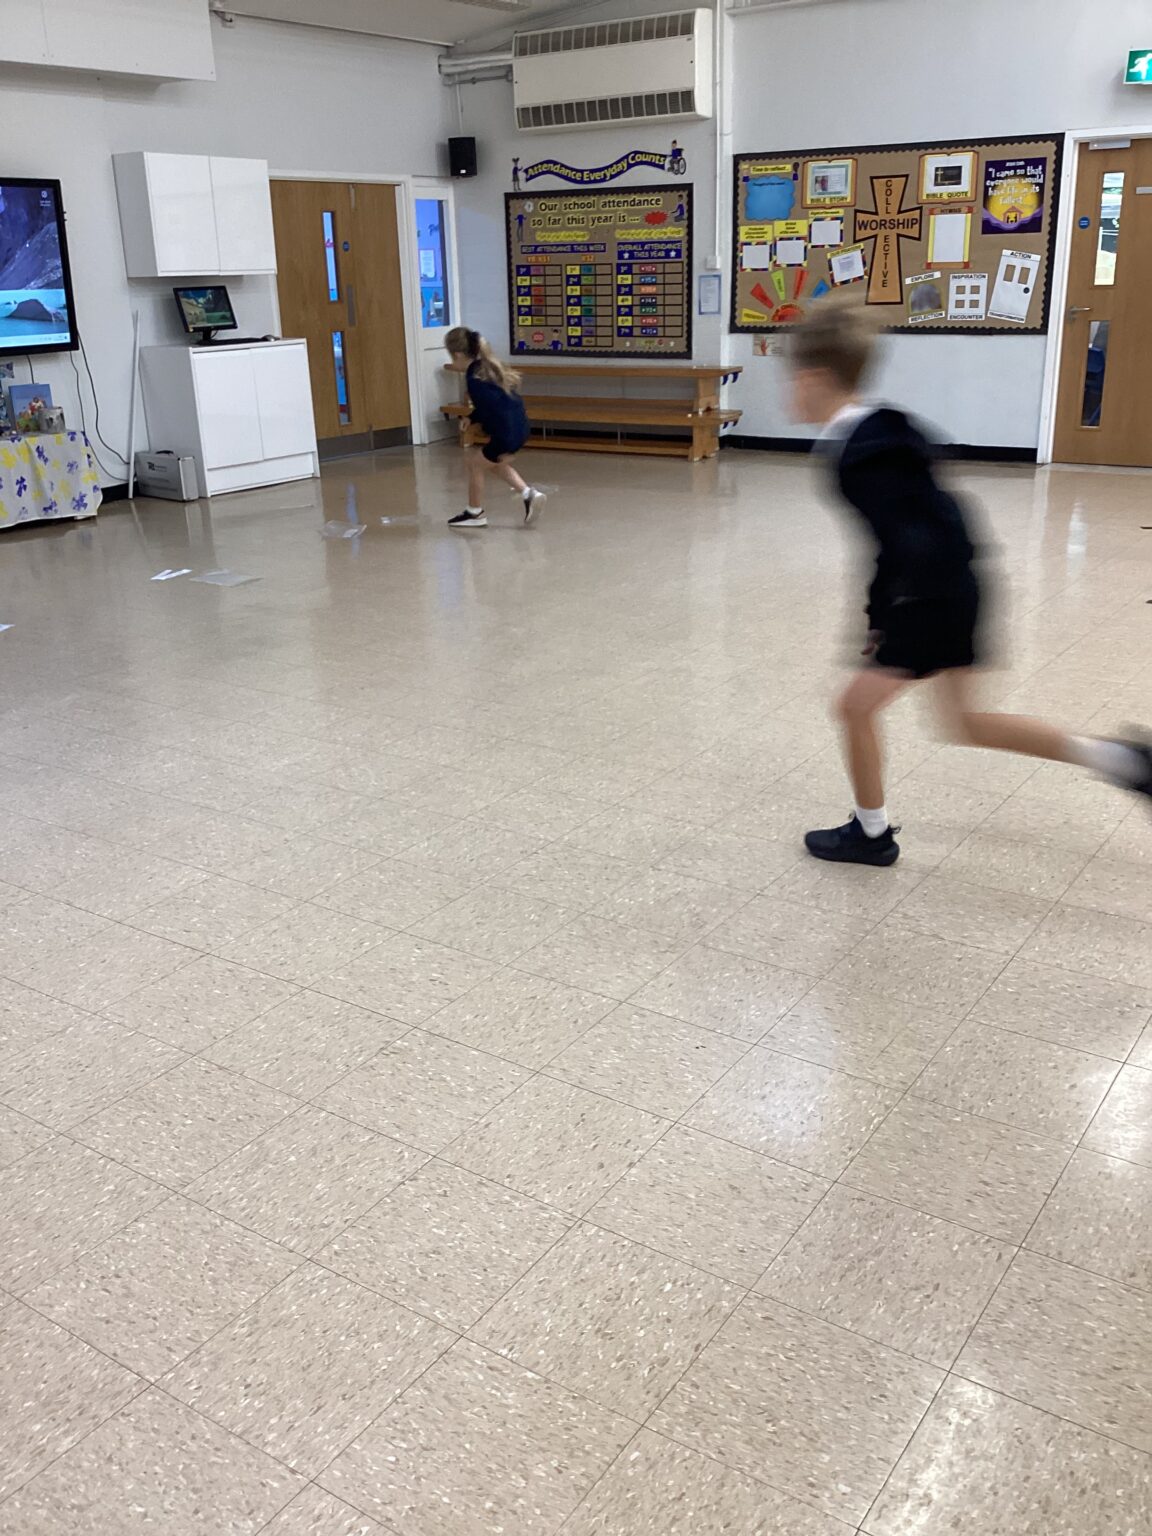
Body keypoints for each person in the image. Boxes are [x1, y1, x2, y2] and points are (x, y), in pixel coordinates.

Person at [789, 299, 1151, 866]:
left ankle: (871, 835)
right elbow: (917, 528)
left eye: (792, 380)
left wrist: (901, 615)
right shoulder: (885, 424)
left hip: (930, 598)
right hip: (959, 586)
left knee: (854, 708)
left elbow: (911, 542)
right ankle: (1123, 761)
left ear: (813, 378)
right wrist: (883, 613)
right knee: (965, 723)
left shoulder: (857, 454)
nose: (791, 394)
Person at [444, 326, 545, 530]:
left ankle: (474, 513)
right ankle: (528, 494)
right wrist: (471, 418)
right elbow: (494, 403)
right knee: (494, 463)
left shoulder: (474, 377)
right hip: (520, 426)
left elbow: (488, 407)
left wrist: (475, 419)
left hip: (506, 432)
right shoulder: (485, 368)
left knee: (475, 464)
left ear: (458, 355)